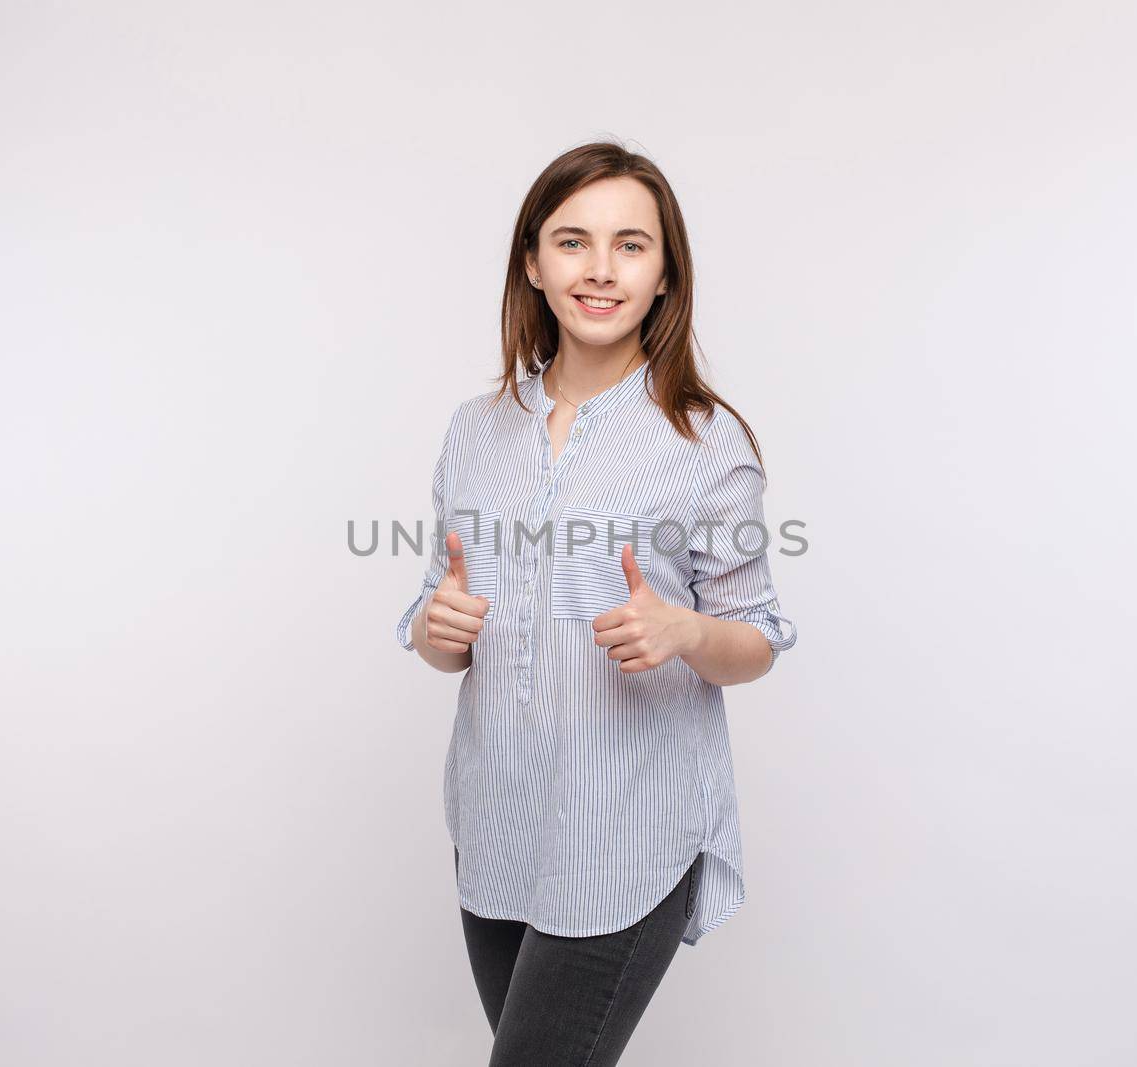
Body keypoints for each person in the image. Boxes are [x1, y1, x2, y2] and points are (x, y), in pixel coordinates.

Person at [395, 140, 799, 1066]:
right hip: (495, 820)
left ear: (664, 275)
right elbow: (439, 616)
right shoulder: (477, 429)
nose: (601, 269)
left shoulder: (705, 439)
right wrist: (437, 629)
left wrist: (686, 629)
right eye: (573, 242)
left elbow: (760, 638)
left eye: (631, 245)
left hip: (625, 831)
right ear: (533, 264)